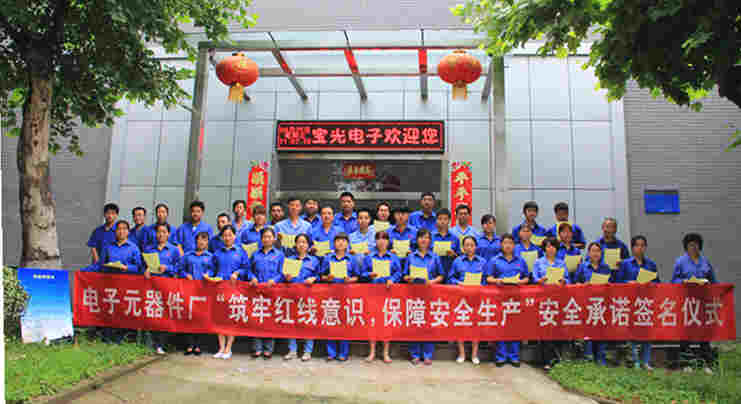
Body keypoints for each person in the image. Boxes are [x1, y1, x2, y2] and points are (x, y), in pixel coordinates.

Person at [671, 233, 717, 373]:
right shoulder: (680, 262)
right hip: (686, 302)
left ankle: (707, 364)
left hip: (702, 302)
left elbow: (714, 281)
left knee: (704, 333)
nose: (693, 247)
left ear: (700, 246)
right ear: (686, 247)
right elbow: (674, 281)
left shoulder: (705, 262)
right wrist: (684, 281)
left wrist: (709, 284)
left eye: (696, 244)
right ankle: (687, 364)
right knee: (686, 333)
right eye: (690, 244)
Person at [615, 235, 659, 370]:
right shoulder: (625, 264)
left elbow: (658, 283)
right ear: (632, 248)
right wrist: (629, 283)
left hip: (646, 302)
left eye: (642, 245)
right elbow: (618, 282)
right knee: (632, 332)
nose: (640, 248)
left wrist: (650, 284)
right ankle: (634, 361)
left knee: (647, 332)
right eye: (637, 245)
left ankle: (646, 361)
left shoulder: (651, 264)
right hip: (630, 301)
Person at [485, 234, 530, 367]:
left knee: (515, 327)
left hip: (516, 299)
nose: (508, 245)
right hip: (500, 298)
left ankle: (514, 356)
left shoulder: (520, 260)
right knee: (501, 326)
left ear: (514, 245)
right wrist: (497, 280)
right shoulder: (494, 260)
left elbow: (527, 277)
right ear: (501, 245)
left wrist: (521, 281)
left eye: (510, 242)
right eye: (505, 243)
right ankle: (501, 356)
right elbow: (488, 278)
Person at [403, 229, 444, 365]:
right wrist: (409, 278)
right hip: (413, 294)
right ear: (417, 240)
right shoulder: (411, 256)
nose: (423, 240)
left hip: (430, 294)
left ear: (430, 241)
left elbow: (441, 275)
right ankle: (415, 354)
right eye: (421, 237)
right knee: (414, 323)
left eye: (426, 238)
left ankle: (427, 354)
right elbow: (404, 275)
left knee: (428, 324)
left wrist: (432, 281)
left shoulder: (435, 257)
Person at [209, 225, 250, 360]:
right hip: (220, 289)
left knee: (232, 318)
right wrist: (209, 275)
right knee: (220, 318)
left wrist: (237, 273)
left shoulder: (240, 251)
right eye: (225, 235)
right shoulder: (217, 253)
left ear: (234, 236)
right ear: (221, 237)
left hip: (234, 289)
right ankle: (221, 347)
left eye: (230, 235)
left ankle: (229, 347)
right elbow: (212, 268)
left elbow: (246, 268)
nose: (227, 238)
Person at [97, 220, 141, 344]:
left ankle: (124, 338)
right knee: (110, 309)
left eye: (124, 229)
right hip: (110, 284)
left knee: (124, 310)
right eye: (119, 229)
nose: (121, 231)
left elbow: (139, 267)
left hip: (127, 284)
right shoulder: (108, 247)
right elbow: (100, 265)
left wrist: (127, 267)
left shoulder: (133, 248)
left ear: (128, 232)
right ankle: (108, 337)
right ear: (115, 232)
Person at [360, 231, 401, 363]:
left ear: (388, 242)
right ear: (375, 241)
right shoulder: (369, 257)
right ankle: (372, 352)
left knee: (386, 323)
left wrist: (392, 279)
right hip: (373, 293)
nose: (381, 241)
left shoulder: (393, 257)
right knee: (372, 323)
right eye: (379, 239)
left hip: (388, 293)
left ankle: (385, 352)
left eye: (384, 239)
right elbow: (362, 273)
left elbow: (398, 272)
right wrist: (369, 275)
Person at [141, 223, 182, 355]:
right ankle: (150, 342)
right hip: (151, 285)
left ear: (168, 234)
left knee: (164, 314)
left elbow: (179, 268)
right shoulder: (149, 249)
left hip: (166, 285)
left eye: (164, 232)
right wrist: (145, 270)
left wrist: (167, 268)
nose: (161, 234)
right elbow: (142, 265)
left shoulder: (174, 250)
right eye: (159, 232)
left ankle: (161, 344)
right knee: (152, 312)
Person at [320, 233, 359, 361]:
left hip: (346, 294)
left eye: (343, 241)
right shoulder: (328, 258)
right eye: (338, 241)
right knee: (330, 321)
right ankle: (331, 352)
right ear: (334, 243)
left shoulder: (352, 259)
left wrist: (350, 280)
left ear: (347, 244)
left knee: (344, 323)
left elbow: (357, 276)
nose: (341, 243)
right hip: (330, 294)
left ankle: (343, 352)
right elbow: (321, 276)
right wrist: (327, 278)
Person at [448, 236, 487, 365]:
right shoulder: (457, 261)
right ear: (463, 247)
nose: (469, 248)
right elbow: (450, 278)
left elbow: (486, 279)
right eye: (467, 245)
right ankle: (462, 353)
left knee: (475, 325)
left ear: (476, 247)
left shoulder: (482, 262)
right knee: (461, 324)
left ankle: (474, 354)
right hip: (461, 298)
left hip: (477, 297)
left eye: (472, 245)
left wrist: (481, 285)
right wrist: (458, 283)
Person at [531, 237, 569, 371]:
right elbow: (534, 278)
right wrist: (540, 280)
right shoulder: (538, 262)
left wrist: (564, 281)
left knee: (557, 328)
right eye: (547, 246)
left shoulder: (561, 262)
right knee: (545, 329)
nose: (550, 249)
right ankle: (546, 360)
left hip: (558, 299)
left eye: (553, 246)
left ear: (557, 249)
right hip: (544, 299)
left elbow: (568, 279)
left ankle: (557, 358)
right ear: (544, 249)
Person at [247, 227, 285, 359]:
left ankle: (269, 348)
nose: (267, 239)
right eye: (264, 237)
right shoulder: (255, 254)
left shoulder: (280, 255)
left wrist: (275, 280)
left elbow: (282, 272)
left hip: (273, 291)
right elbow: (249, 270)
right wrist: (252, 277)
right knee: (256, 318)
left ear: (274, 239)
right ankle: (257, 348)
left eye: (269, 237)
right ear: (261, 239)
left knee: (270, 319)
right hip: (257, 292)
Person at [282, 233, 319, 361]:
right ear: (295, 245)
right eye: (299, 242)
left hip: (309, 296)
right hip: (292, 295)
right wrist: (287, 278)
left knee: (308, 323)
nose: (301, 245)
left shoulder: (314, 260)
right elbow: (284, 277)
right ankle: (292, 350)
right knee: (291, 323)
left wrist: (314, 278)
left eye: (304, 242)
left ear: (308, 245)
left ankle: (308, 351)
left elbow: (319, 275)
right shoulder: (290, 260)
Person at [575, 242, 612, 365]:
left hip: (602, 303)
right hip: (587, 302)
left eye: (598, 251)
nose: (595, 253)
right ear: (588, 253)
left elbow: (611, 285)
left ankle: (601, 357)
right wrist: (583, 285)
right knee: (588, 330)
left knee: (602, 330)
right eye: (593, 251)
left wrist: (607, 285)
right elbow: (575, 283)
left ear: (601, 253)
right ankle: (588, 356)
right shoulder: (583, 267)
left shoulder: (606, 268)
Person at [178, 232, 214, 356]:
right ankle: (189, 344)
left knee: (201, 317)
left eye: (204, 240)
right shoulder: (188, 255)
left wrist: (208, 274)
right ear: (196, 241)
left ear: (207, 242)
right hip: (189, 290)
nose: (201, 242)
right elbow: (180, 269)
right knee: (188, 316)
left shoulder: (211, 256)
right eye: (199, 240)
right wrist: (185, 275)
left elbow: (213, 269)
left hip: (204, 291)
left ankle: (198, 345)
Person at [431, 208, 459, 282]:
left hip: (449, 273)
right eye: (440, 219)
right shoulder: (430, 236)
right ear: (436, 220)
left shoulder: (455, 238)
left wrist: (454, 255)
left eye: (445, 219)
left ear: (449, 220)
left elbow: (459, 258)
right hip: (433, 274)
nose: (442, 221)